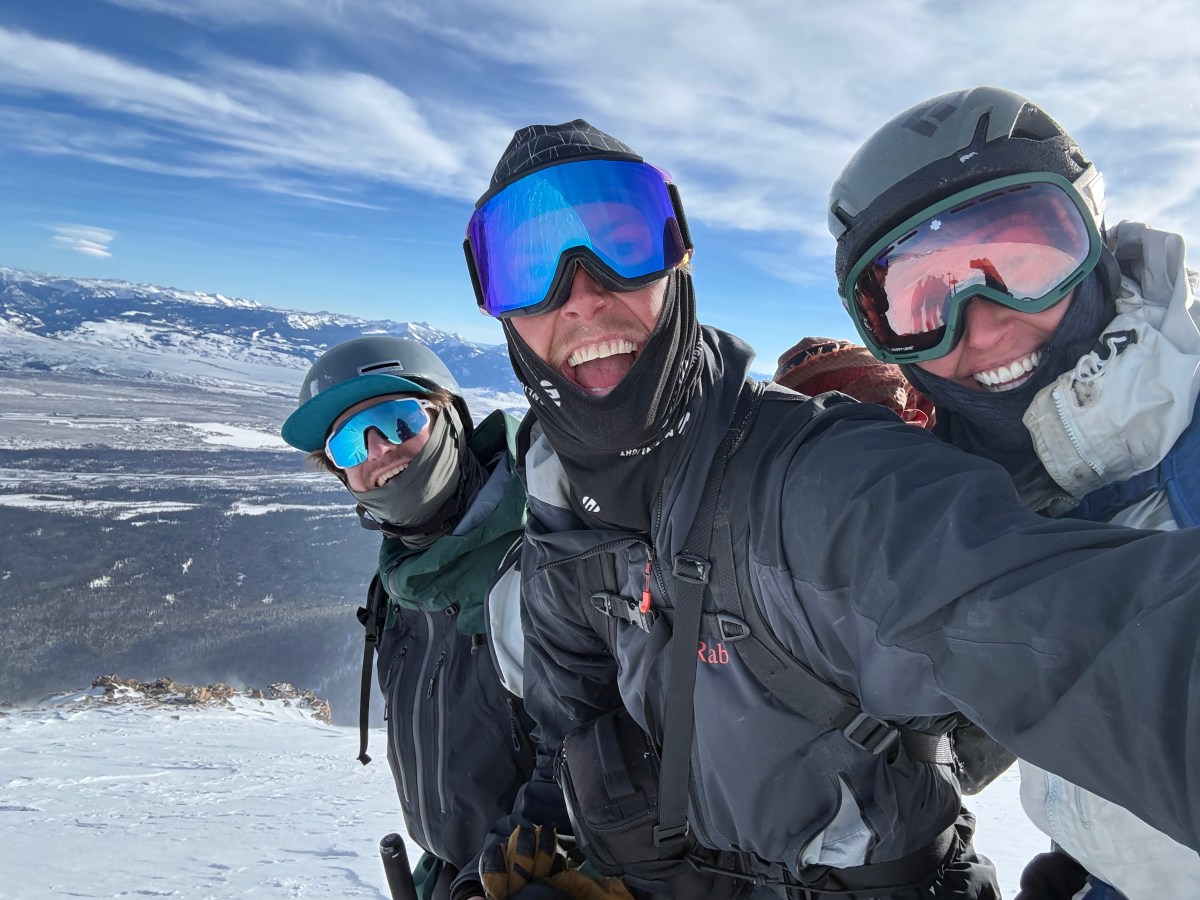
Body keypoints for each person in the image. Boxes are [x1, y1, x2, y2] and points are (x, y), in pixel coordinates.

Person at [460, 118, 1200, 900]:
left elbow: (1086, 641)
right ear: (496, 307)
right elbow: (570, 731)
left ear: (678, 259)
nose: (582, 294)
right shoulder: (557, 510)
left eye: (623, 243)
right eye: (529, 268)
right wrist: (544, 845)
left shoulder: (818, 480)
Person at [826, 85, 1200, 900]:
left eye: (1023, 261)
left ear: (1093, 235)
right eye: (922, 302)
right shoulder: (966, 514)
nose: (985, 325)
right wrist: (1090, 873)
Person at [281, 337, 540, 900]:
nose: (379, 451)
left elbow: (606, 754)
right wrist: (442, 871)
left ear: (450, 418)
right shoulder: (401, 586)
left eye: (399, 420)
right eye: (349, 443)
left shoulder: (544, 553)